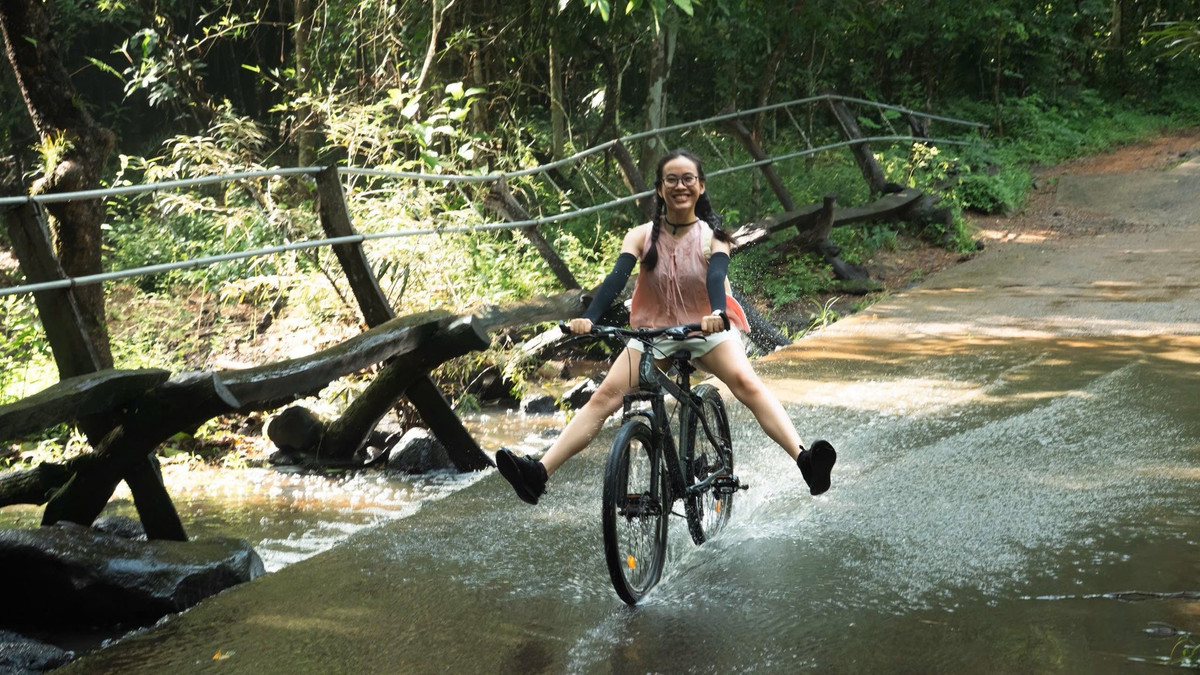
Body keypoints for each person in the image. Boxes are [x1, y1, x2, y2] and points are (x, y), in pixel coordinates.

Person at [496, 148, 835, 505]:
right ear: (660, 189)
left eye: (688, 179)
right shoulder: (640, 236)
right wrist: (590, 318)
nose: (679, 186)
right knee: (604, 397)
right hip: (653, 334)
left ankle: (805, 461)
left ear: (700, 186)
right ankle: (538, 474)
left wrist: (717, 313)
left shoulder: (714, 237)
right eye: (671, 179)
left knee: (747, 384)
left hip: (706, 331)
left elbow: (716, 277)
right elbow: (615, 279)